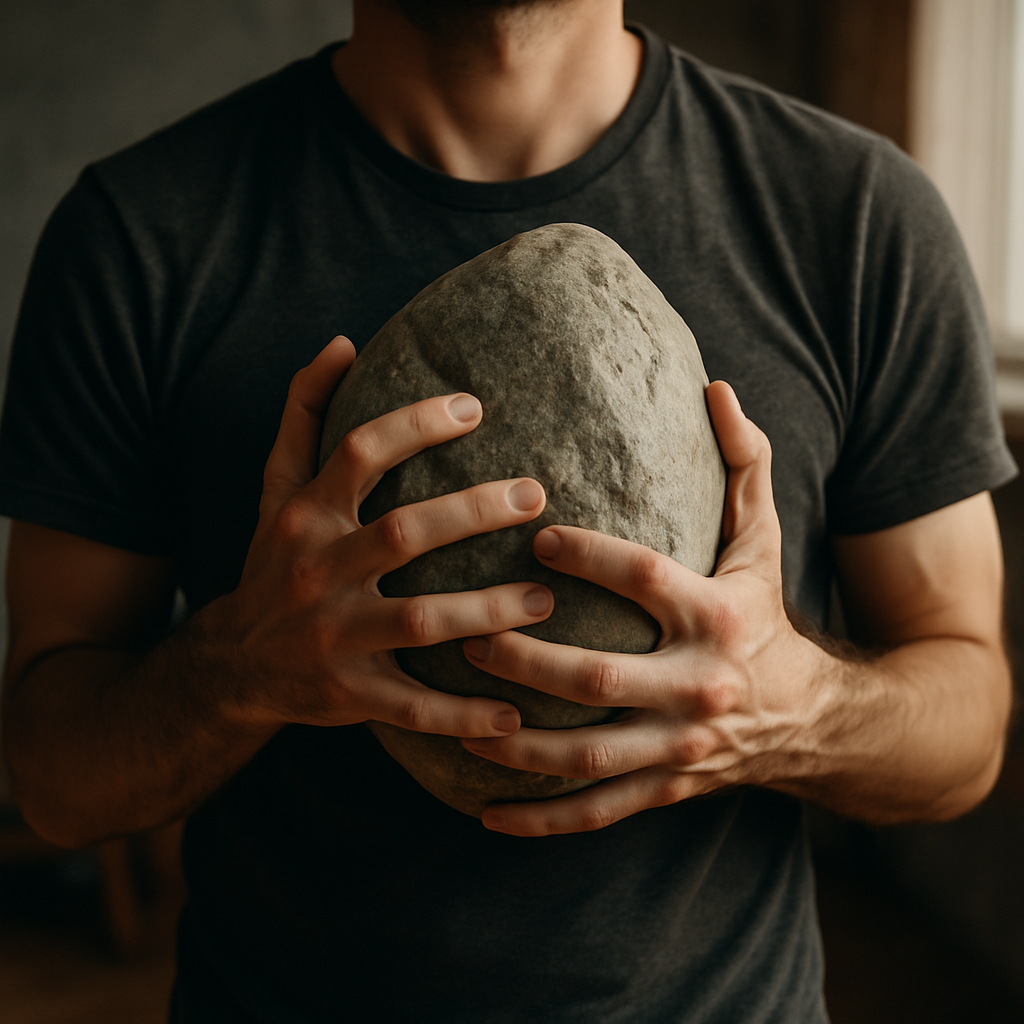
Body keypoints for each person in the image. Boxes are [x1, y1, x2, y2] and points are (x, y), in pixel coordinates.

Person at [0, 0, 1015, 1020]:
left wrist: (781, 707)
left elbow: (964, 730)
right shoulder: (138, 234)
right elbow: (54, 775)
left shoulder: (856, 214)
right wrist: (239, 666)